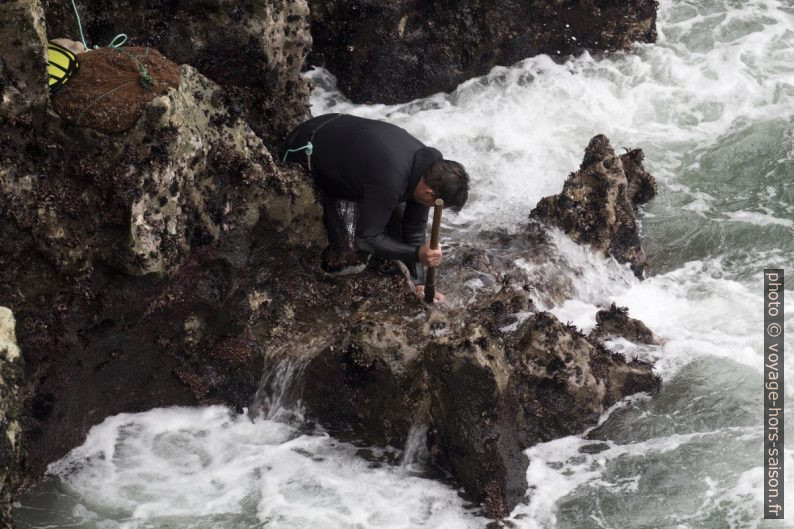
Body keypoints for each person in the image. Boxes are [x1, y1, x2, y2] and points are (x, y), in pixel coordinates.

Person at [282, 113, 469, 302]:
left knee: (396, 221)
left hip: (335, 130)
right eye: (436, 206)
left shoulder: (427, 170)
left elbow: (413, 228)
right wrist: (417, 254)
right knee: (349, 263)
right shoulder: (391, 180)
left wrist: (418, 281)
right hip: (301, 144)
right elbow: (365, 238)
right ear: (430, 193)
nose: (432, 209)